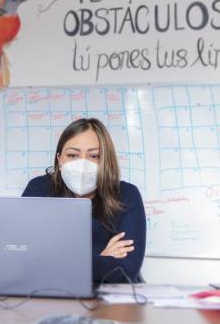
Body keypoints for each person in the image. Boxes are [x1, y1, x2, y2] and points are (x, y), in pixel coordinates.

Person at [22, 118, 146, 283]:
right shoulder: (39, 189)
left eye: (94, 156)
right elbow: (25, 258)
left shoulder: (126, 194)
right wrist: (100, 257)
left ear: (105, 160)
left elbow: (126, 269)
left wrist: (60, 262)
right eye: (72, 155)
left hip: (110, 296)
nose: (82, 164)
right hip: (52, 290)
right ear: (59, 159)